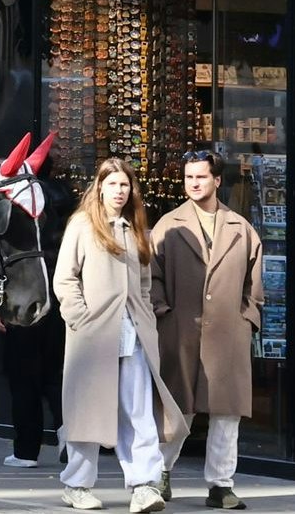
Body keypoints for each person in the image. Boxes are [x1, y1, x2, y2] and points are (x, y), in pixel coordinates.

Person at [54, 158, 177, 514]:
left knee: (138, 410)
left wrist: (146, 318)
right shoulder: (82, 225)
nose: (120, 191)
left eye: (125, 185)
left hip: (132, 332)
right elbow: (65, 278)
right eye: (113, 184)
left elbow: (142, 281)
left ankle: (144, 485)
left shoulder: (134, 226)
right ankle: (76, 484)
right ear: (100, 186)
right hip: (94, 333)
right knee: (88, 410)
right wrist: (81, 318)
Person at [150, 149, 262, 512]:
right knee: (177, 408)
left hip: (228, 332)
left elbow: (254, 284)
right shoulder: (169, 224)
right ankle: (160, 472)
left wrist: (248, 319)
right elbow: (151, 277)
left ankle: (221, 484)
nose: (193, 183)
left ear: (217, 180)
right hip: (180, 328)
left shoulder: (241, 227)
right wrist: (162, 313)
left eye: (200, 176)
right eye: (188, 177)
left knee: (226, 412)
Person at [0, 170, 72, 468]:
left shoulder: (16, 208)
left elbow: (8, 259)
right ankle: (68, 434)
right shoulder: (62, 201)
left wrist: (0, 307)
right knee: (55, 375)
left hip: (26, 297)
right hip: (57, 297)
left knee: (24, 379)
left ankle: (26, 450)